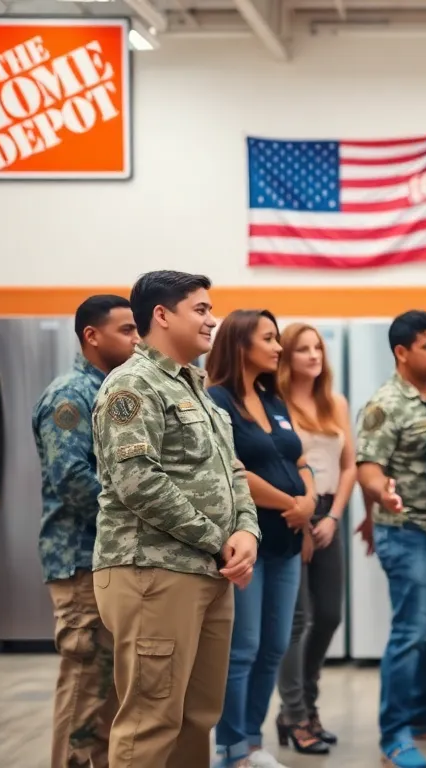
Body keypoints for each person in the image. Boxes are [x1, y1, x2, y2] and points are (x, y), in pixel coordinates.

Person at [91, 270, 261, 767]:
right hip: (152, 570)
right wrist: (218, 539)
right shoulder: (133, 385)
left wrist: (247, 530)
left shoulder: (196, 390)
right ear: (161, 316)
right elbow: (137, 481)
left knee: (196, 717)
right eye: (201, 309)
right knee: (150, 722)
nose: (213, 320)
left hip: (206, 571)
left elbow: (233, 471)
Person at [205, 309, 317, 768]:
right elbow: (230, 469)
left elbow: (300, 455)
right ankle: (229, 748)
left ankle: (251, 741)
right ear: (239, 345)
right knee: (243, 649)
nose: (278, 347)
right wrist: (289, 503)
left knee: (274, 646)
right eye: (269, 339)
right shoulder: (216, 400)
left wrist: (308, 500)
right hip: (247, 542)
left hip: (288, 544)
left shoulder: (273, 398)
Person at [353, 309, 426, 768]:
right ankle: (394, 733)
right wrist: (383, 495)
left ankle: (421, 712)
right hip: (408, 532)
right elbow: (368, 468)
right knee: (410, 634)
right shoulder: (385, 403)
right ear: (402, 352)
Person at [34, 294, 138, 768]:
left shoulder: (113, 390)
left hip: (108, 559)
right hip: (80, 561)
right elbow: (72, 478)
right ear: (92, 336)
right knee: (83, 691)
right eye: (126, 330)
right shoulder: (70, 395)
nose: (137, 339)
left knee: (107, 695)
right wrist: (138, 514)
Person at [273, 322, 356, 754]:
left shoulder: (334, 401)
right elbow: (283, 464)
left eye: (318, 348)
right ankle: (294, 712)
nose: (313, 355)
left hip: (329, 513)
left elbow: (349, 466)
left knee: (329, 615)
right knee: (296, 620)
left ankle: (306, 699)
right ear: (286, 356)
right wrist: (304, 521)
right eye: (303, 349)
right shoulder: (275, 402)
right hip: (291, 512)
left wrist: (335, 517)